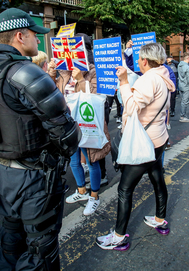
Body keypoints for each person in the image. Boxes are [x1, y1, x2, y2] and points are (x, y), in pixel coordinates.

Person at [0, 8, 81, 271]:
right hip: (34, 180)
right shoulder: (25, 73)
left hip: (1, 173)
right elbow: (67, 133)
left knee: (10, 240)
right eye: (34, 35)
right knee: (41, 250)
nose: (38, 40)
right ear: (19, 35)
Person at [96, 42, 175, 250]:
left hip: (144, 143)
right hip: (158, 139)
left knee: (124, 189)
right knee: (158, 179)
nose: (137, 62)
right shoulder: (163, 75)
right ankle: (160, 219)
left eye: (139, 59)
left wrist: (123, 82)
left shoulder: (148, 80)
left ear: (146, 61)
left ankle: (119, 236)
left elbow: (131, 107)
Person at [48, 33, 110, 216]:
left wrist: (82, 79)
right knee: (74, 161)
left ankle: (94, 196)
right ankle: (81, 191)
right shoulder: (64, 71)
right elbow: (51, 90)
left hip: (88, 125)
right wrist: (52, 72)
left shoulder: (92, 71)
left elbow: (95, 98)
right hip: (68, 125)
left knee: (91, 161)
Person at [178, 52, 189, 122]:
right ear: (188, 58)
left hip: (181, 85)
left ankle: (183, 115)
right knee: (185, 102)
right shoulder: (188, 67)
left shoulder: (179, 65)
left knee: (183, 101)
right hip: (186, 86)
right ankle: (183, 116)